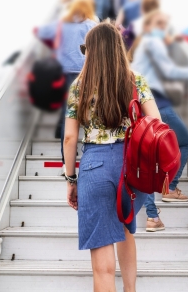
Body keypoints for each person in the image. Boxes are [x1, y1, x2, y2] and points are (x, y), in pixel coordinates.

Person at [63, 22, 161, 291]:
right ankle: (131, 289)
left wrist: (71, 179)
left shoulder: (79, 86)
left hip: (96, 167)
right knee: (124, 228)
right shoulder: (135, 79)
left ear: (91, 51)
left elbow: (70, 138)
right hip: (133, 168)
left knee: (102, 267)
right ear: (118, 48)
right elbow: (157, 122)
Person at [128, 10, 188, 232]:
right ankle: (170, 187)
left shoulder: (139, 47)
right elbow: (168, 71)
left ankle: (152, 217)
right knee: (185, 140)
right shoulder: (153, 42)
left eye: (165, 24)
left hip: (141, 106)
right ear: (149, 25)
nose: (163, 27)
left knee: (147, 160)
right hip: (157, 104)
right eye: (160, 23)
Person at [35, 0, 97, 159]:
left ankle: (66, 159)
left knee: (68, 115)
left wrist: (56, 46)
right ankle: (92, 153)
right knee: (92, 114)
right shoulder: (91, 25)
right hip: (86, 74)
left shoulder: (61, 25)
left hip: (64, 74)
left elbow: (39, 32)